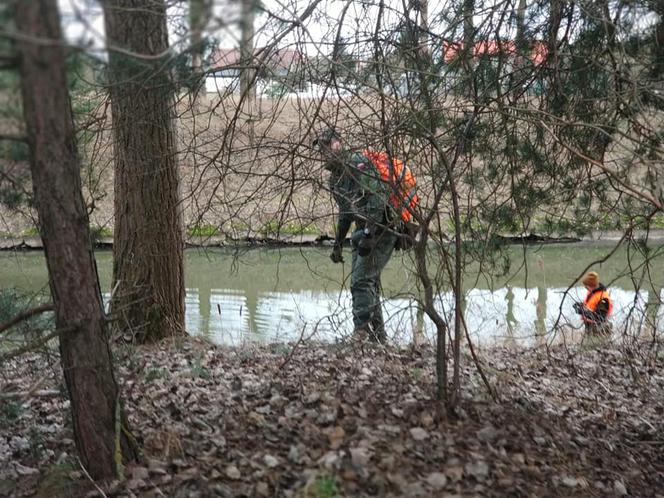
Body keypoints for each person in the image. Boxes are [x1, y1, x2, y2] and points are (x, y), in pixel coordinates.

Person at [313, 127, 398, 343]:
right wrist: (338, 244)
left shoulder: (359, 164)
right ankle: (378, 337)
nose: (324, 152)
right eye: (320, 148)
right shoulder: (335, 180)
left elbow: (378, 200)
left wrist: (369, 234)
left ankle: (361, 333)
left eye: (327, 145)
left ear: (339, 143)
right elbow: (345, 213)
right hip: (363, 231)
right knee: (367, 282)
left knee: (361, 280)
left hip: (383, 227)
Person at [573, 271, 613, 336]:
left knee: (597, 346)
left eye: (586, 286)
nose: (586, 288)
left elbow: (600, 318)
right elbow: (590, 306)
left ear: (592, 285)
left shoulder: (603, 298)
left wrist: (582, 311)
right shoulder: (592, 293)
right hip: (590, 327)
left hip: (600, 330)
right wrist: (580, 305)